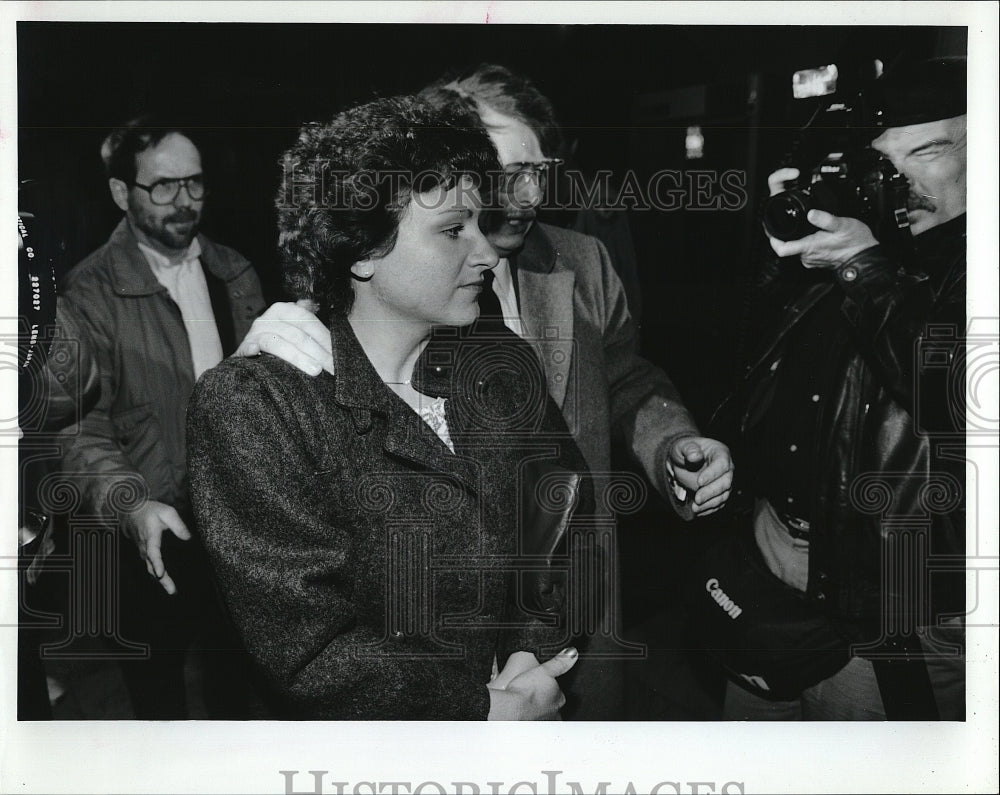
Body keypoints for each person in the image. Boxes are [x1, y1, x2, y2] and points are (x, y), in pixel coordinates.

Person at [235, 64, 735, 720]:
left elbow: (626, 376)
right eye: (498, 167)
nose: (521, 192)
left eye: (535, 169)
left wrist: (671, 439)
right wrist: (257, 354)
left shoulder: (584, 263)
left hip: (568, 618)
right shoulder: (377, 281)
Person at [187, 95, 588, 719]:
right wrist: (477, 712)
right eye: (453, 230)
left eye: (480, 226)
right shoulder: (258, 406)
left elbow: (561, 511)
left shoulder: (495, 359)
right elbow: (310, 650)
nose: (485, 253)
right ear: (363, 250)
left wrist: (532, 662)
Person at [710, 57, 967, 720]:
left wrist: (862, 268)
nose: (902, 179)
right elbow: (752, 376)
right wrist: (783, 254)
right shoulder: (867, 245)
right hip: (772, 576)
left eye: (930, 149)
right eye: (885, 159)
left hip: (889, 612)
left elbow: (960, 399)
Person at [57, 117, 278, 718]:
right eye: (163, 186)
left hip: (237, 525)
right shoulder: (86, 294)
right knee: (160, 701)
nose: (183, 201)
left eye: (195, 183)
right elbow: (78, 427)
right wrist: (132, 504)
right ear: (120, 194)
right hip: (152, 530)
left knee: (238, 687)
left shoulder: (235, 270)